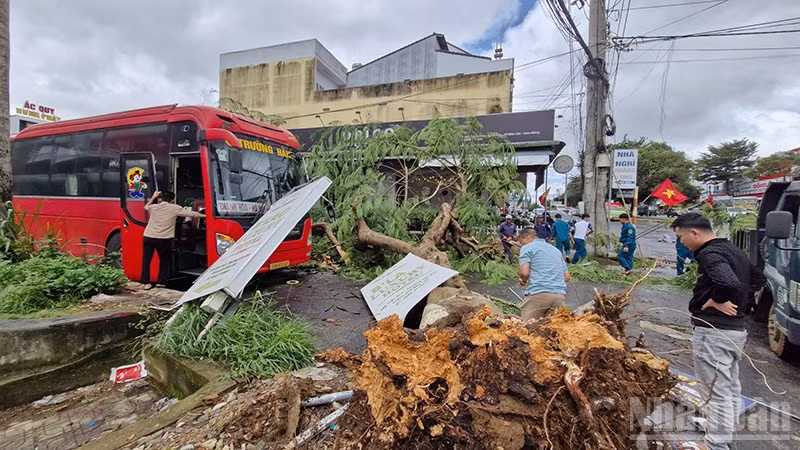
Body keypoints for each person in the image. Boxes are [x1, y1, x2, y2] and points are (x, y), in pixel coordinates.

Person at [671, 213, 765, 450]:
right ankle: (721, 428)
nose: (681, 242)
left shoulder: (710, 253)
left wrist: (717, 300)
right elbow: (758, 279)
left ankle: (716, 443)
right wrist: (739, 303)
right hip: (735, 331)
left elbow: (728, 282)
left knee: (715, 389)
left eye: (681, 237)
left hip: (714, 331)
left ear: (694, 232)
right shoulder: (732, 249)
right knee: (730, 385)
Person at [142, 190, 205, 290]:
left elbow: (146, 207)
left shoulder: (154, 207)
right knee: (164, 261)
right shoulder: (175, 208)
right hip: (163, 239)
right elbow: (192, 214)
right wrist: (205, 216)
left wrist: (153, 197)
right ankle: (161, 282)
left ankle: (146, 283)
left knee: (146, 260)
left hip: (148, 237)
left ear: (161, 199)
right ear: (172, 200)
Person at [517, 227, 570, 320]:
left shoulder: (527, 248)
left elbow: (524, 273)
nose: (521, 244)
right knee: (554, 327)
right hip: (559, 296)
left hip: (539, 294)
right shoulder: (556, 250)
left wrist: (523, 280)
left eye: (521, 241)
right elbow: (566, 277)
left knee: (526, 326)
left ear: (526, 236)